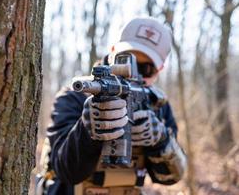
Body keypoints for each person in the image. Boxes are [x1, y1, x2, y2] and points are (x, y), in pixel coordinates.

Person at [37, 17, 187, 195]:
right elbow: (66, 171)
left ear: (159, 70)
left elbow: (171, 178)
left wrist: (161, 140)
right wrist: (88, 129)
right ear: (113, 51)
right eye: (125, 60)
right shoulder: (75, 96)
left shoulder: (157, 104)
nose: (134, 74)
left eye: (146, 68)